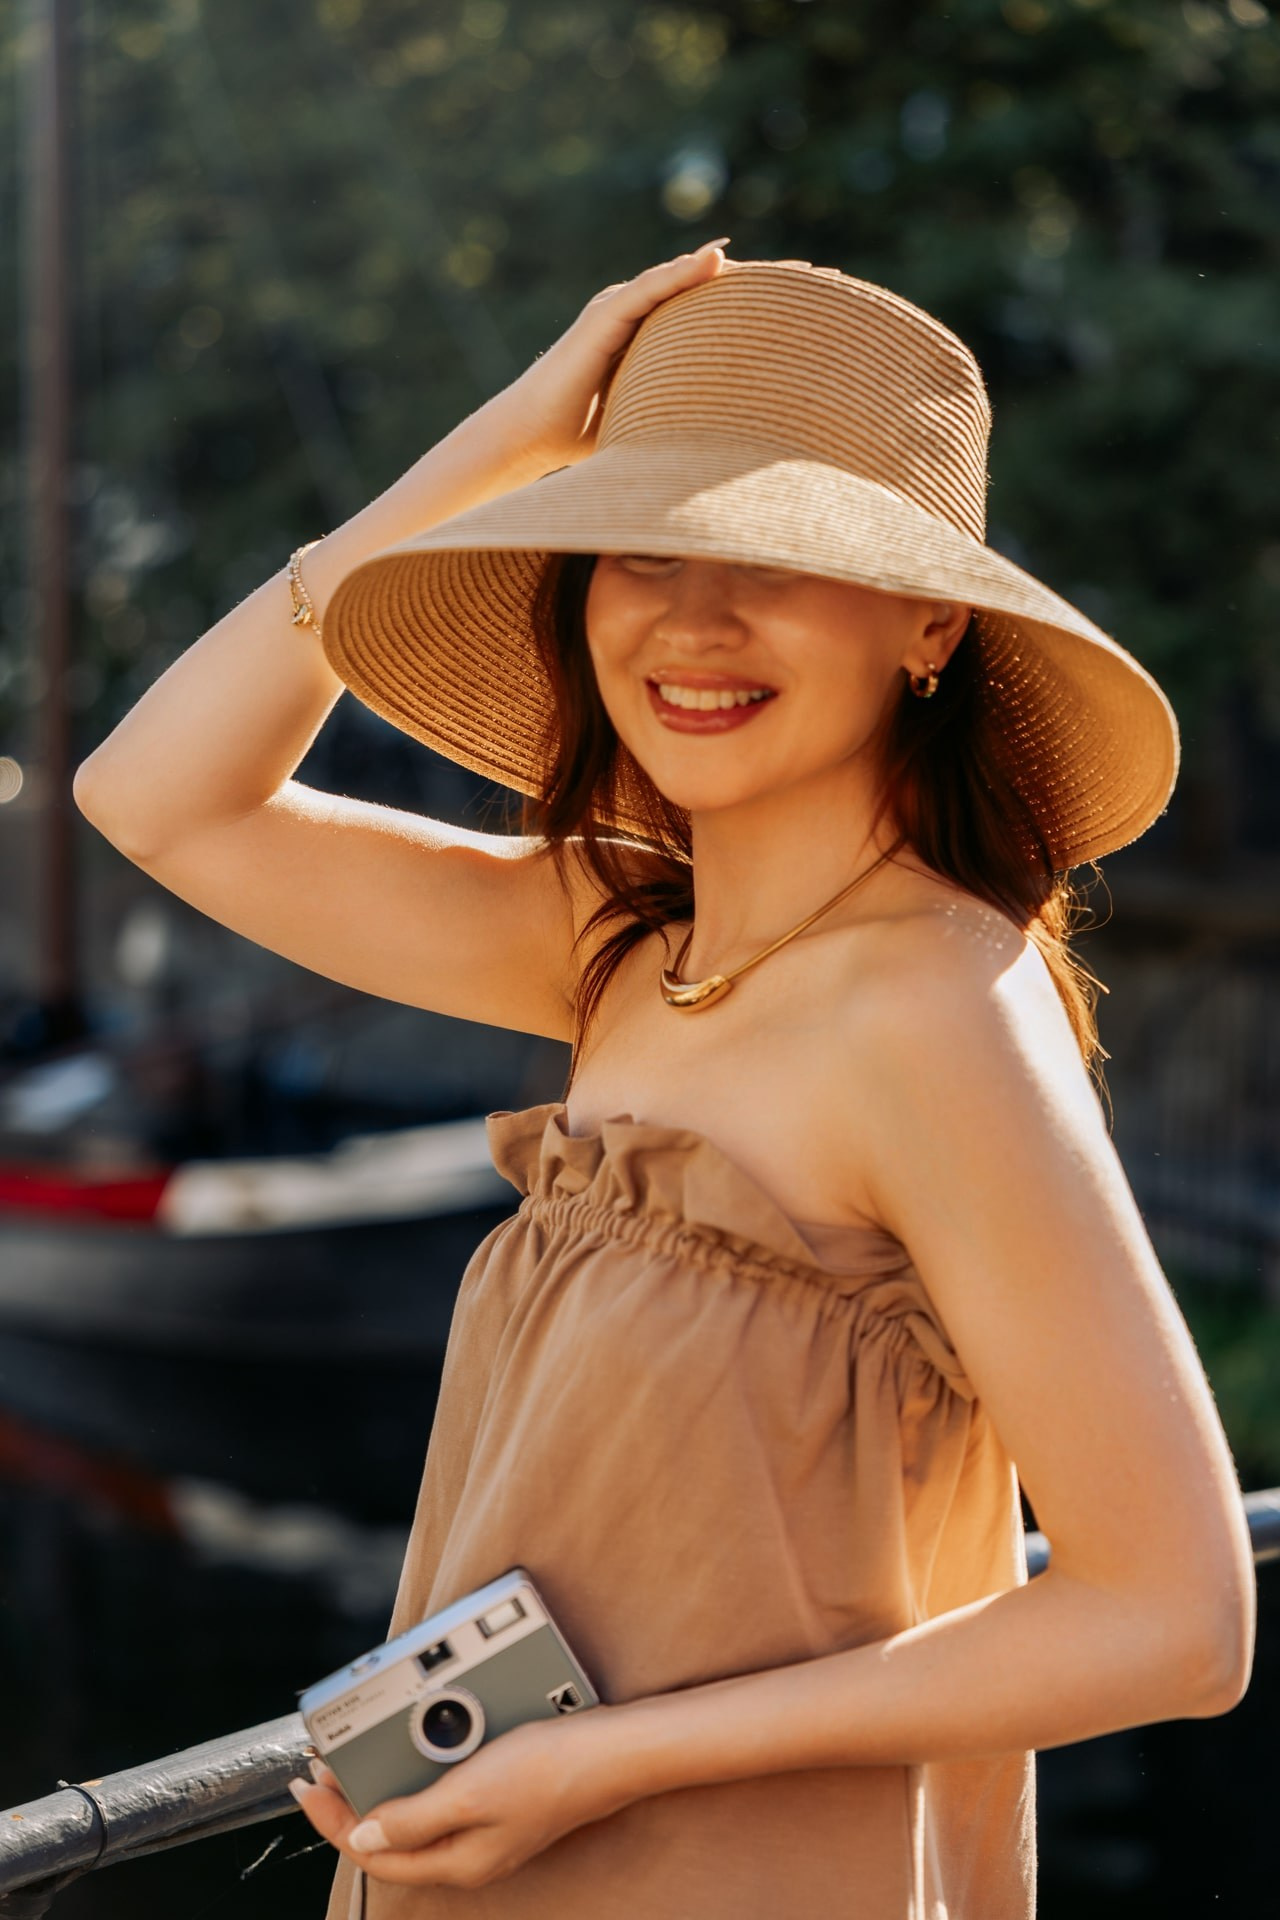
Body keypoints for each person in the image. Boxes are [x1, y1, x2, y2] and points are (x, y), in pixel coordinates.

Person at [75, 244, 1256, 1919]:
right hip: (485, 1853)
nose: (694, 622)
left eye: (776, 560)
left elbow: (1178, 1617)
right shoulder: (623, 942)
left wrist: (603, 1760)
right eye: (637, 548)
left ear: (932, 621)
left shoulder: (937, 1004)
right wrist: (503, 444)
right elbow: (156, 795)